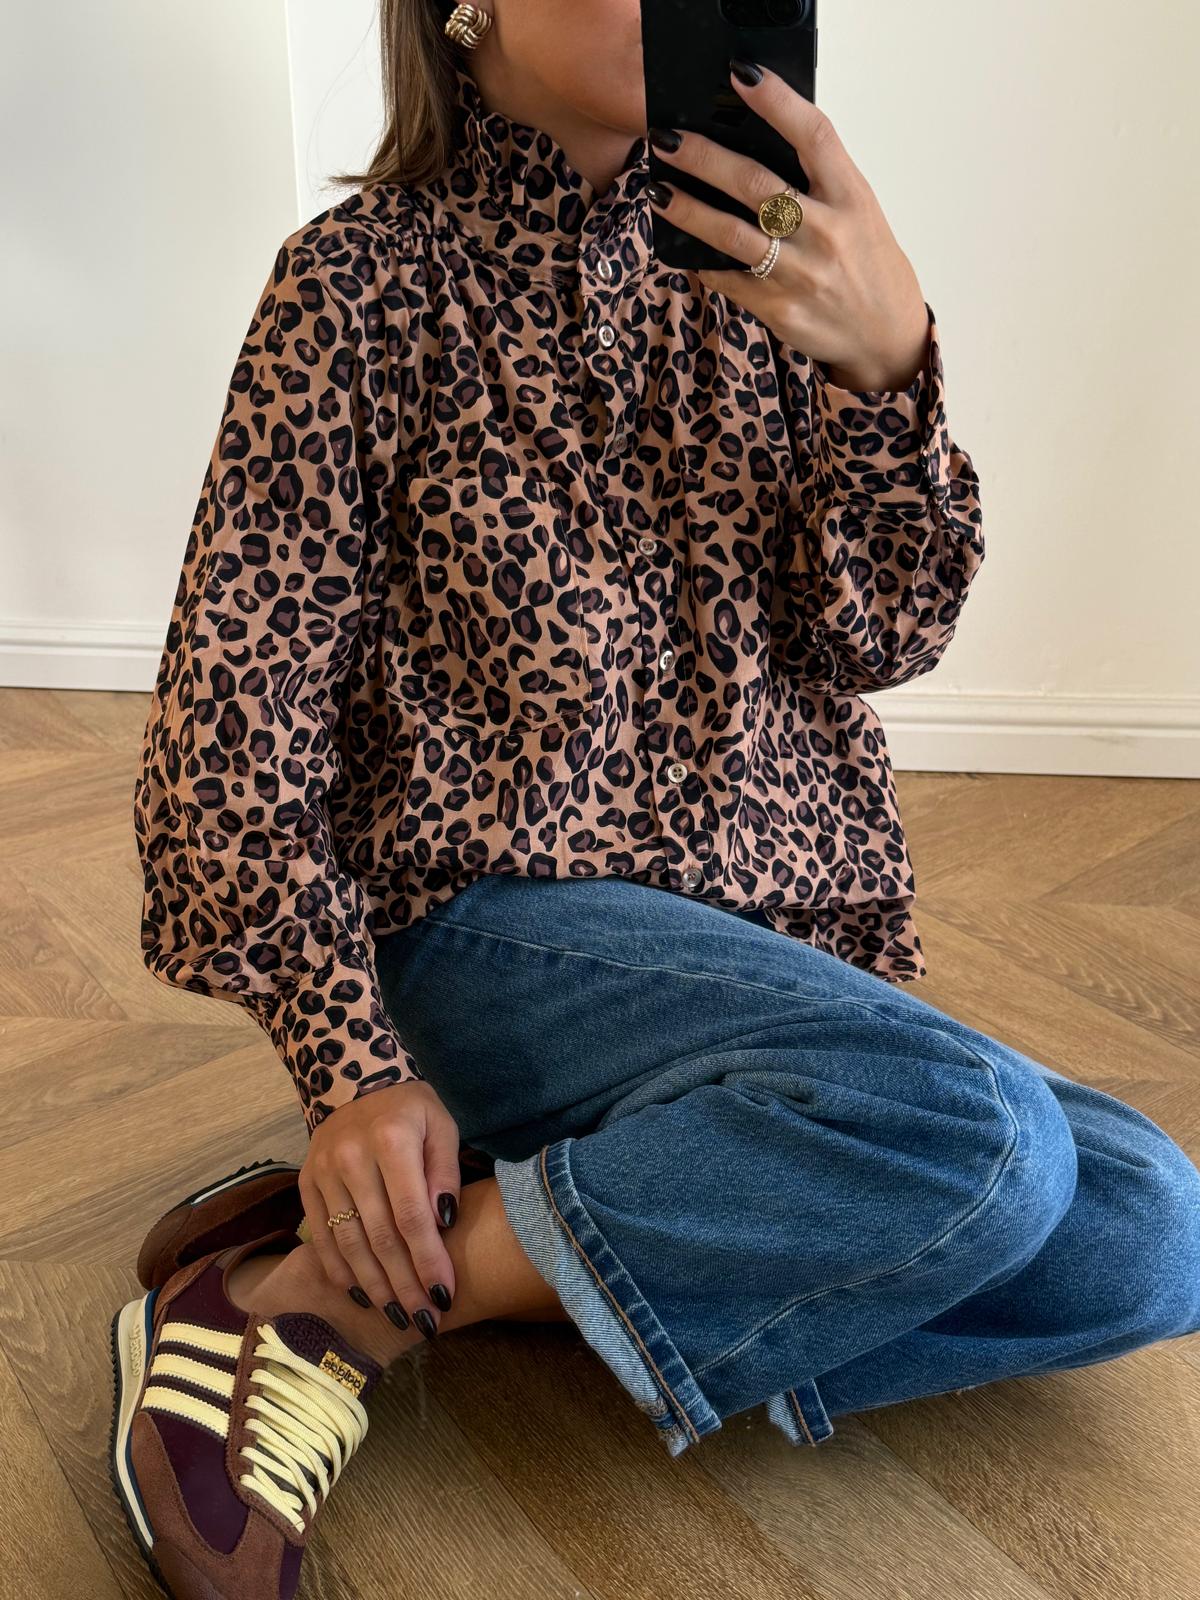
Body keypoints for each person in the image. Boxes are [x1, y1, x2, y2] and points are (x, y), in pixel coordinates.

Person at [114, 4, 1200, 1597]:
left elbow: (880, 636)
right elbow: (235, 720)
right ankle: (308, 1307)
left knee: (1154, 1230)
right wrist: (348, 1068)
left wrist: (887, 370)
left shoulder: (773, 275)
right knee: (987, 1148)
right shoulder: (356, 286)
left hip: (751, 966)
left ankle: (482, 1234)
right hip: (488, 934)